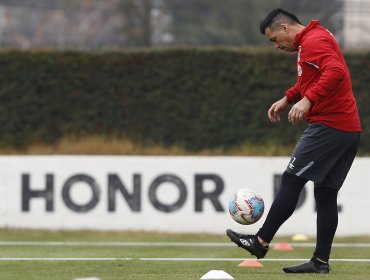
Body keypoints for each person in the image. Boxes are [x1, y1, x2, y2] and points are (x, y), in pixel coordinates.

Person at [226, 8, 362, 274]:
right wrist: (288, 98)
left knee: (292, 179)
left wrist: (308, 100)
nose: (276, 46)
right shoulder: (315, 37)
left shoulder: (313, 41)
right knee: (325, 194)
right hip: (347, 128)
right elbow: (311, 79)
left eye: (274, 39)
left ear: (285, 28)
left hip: (329, 125)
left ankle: (260, 241)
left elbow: (335, 72)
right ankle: (320, 262)